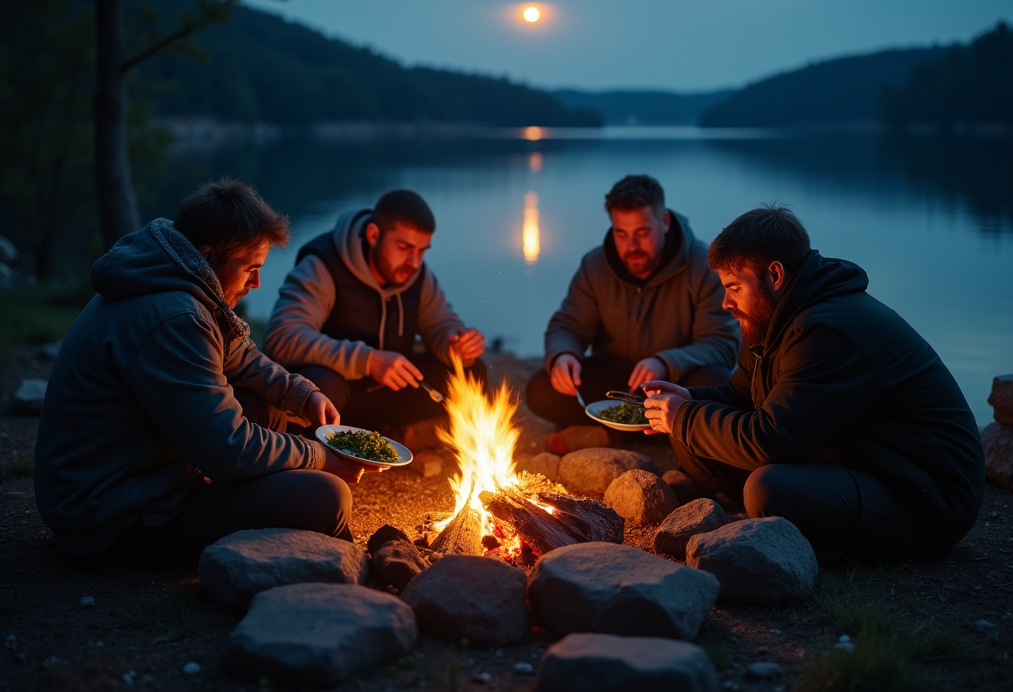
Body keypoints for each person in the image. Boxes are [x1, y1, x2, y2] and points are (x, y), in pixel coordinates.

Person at [35, 180, 375, 566]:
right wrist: (319, 456)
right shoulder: (176, 317)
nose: (257, 283)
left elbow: (239, 354)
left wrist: (302, 394)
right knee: (328, 498)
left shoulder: (174, 279)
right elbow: (228, 449)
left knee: (271, 407)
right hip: (109, 514)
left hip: (132, 471)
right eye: (251, 268)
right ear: (208, 255)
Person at [643, 203, 985, 563]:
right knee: (690, 435)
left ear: (774, 275)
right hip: (855, 462)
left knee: (767, 488)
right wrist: (686, 399)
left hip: (925, 496)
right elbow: (740, 395)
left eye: (734, 287)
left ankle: (812, 540)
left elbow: (773, 441)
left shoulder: (827, 331)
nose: (726, 302)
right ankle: (787, 518)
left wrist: (685, 416)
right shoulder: (772, 321)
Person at [525, 174, 739, 428]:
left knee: (718, 383)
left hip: (676, 381)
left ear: (665, 221)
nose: (632, 245)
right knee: (541, 390)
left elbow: (721, 344)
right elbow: (569, 325)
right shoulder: (595, 266)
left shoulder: (703, 266)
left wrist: (666, 362)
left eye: (642, 232)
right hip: (615, 379)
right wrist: (563, 355)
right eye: (621, 233)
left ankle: (656, 428)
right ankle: (633, 429)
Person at [263, 189, 486, 431]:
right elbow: (282, 337)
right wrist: (367, 360)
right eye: (404, 247)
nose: (414, 261)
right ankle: (321, 452)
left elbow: (440, 323)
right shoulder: (324, 265)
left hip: (385, 396)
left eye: (422, 251)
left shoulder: (415, 274)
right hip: (338, 402)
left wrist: (455, 344)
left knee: (472, 372)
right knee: (321, 386)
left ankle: (400, 436)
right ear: (373, 235)